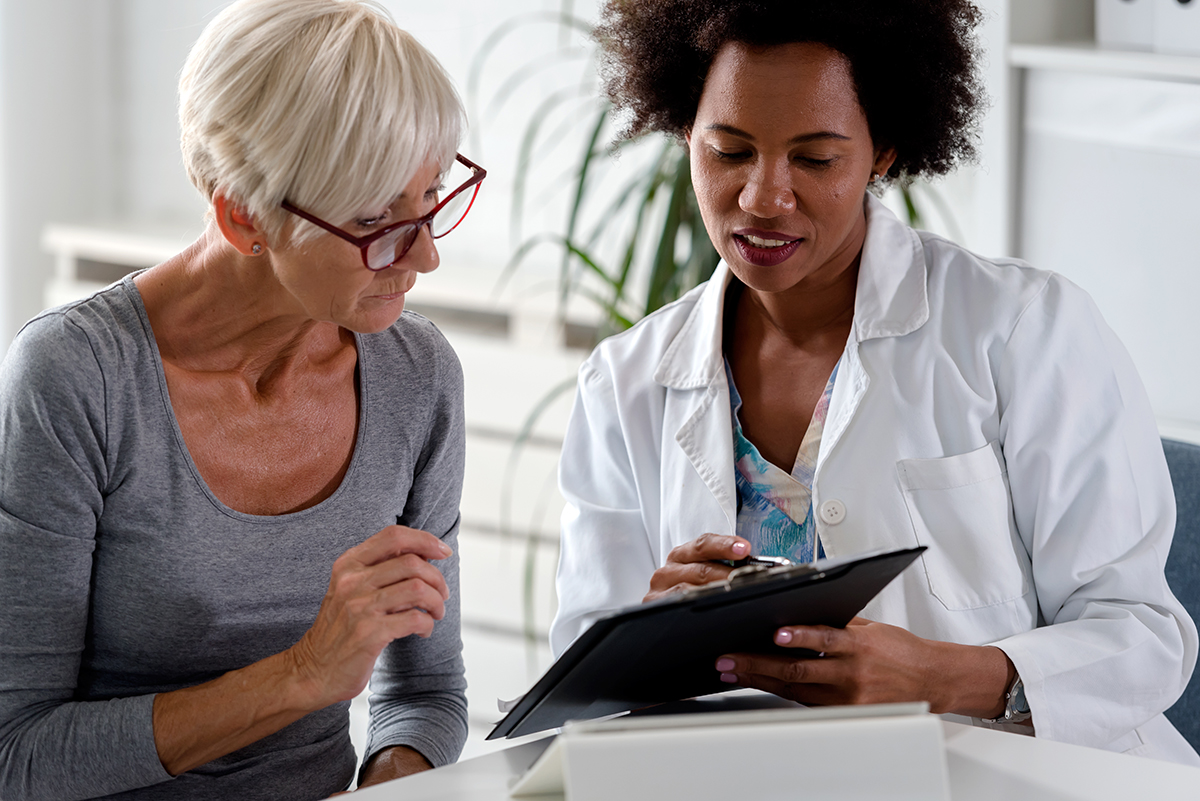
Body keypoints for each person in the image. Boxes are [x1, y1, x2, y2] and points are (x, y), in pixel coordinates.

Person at [550, 0, 1199, 764]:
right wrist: (648, 637)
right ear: (685, 130)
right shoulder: (625, 381)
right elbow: (578, 687)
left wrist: (948, 676)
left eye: (815, 159)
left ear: (884, 149)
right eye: (728, 151)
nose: (762, 196)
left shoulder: (1024, 329)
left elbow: (1142, 636)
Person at [0, 1, 487, 798]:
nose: (425, 255)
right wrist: (301, 676)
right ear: (243, 216)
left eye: (431, 197)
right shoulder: (77, 376)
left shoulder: (417, 373)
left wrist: (396, 778)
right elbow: (15, 754)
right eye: (376, 220)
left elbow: (423, 693)